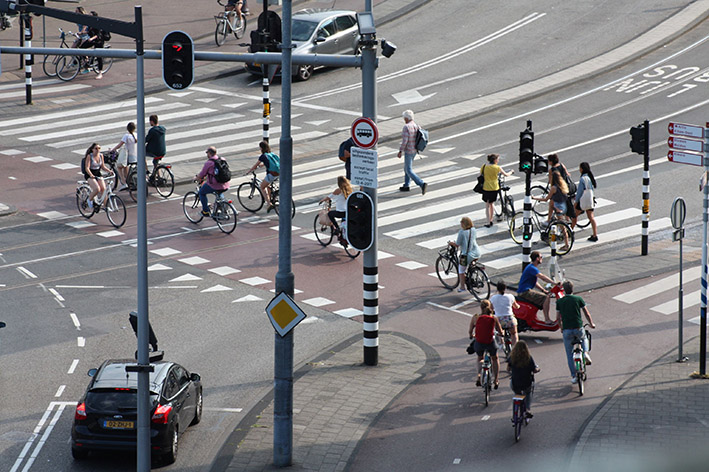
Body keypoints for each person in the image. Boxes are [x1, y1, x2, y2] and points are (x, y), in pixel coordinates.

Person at [555, 281, 596, 384]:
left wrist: (561, 327)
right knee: (584, 338)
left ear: (564, 290)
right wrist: (591, 323)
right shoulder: (578, 299)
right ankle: (585, 353)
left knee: (569, 354)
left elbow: (557, 318)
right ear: (573, 289)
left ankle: (574, 376)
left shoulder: (559, 302)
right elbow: (586, 313)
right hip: (578, 327)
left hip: (567, 330)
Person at [532, 171, 571, 251]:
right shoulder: (563, 185)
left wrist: (534, 198)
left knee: (562, 228)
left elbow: (546, 199)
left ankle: (566, 245)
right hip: (563, 207)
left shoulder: (554, 188)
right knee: (558, 223)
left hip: (558, 208)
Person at [469, 299, 502, 389]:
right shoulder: (494, 318)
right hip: (490, 342)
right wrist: (501, 334)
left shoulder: (476, 317)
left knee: (480, 358)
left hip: (479, 343)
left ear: (480, 307)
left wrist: (471, 335)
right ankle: (496, 379)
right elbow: (500, 330)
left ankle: (479, 376)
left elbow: (470, 330)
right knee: (495, 358)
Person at [517, 251, 557, 324]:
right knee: (546, 298)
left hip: (525, 290)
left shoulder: (530, 267)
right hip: (525, 292)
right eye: (541, 257)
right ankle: (547, 319)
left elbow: (534, 282)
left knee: (543, 296)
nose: (542, 259)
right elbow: (542, 277)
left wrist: (543, 290)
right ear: (537, 258)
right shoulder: (532, 268)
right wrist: (555, 283)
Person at [397, 110, 428, 195]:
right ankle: (406, 185)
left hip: (409, 150)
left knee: (408, 169)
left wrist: (400, 151)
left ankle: (421, 183)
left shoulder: (406, 127)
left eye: (404, 118)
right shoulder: (416, 126)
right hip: (415, 150)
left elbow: (405, 141)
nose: (404, 120)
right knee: (407, 167)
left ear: (406, 118)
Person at [194, 146, 230, 217]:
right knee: (219, 192)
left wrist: (195, 178)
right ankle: (221, 206)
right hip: (226, 184)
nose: (207, 155)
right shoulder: (222, 159)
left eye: (207, 153)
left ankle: (205, 211)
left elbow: (202, 174)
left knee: (201, 192)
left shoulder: (209, 163)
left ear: (209, 153)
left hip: (215, 185)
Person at [448, 216, 481, 293]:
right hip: (477, 252)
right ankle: (473, 274)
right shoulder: (473, 230)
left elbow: (457, 244)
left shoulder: (462, 232)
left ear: (463, 224)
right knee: (471, 265)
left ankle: (462, 287)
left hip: (466, 255)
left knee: (461, 270)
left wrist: (450, 243)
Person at [507, 341, 539, 417]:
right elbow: (534, 370)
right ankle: (527, 409)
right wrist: (538, 369)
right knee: (528, 393)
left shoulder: (512, 358)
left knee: (517, 393)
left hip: (515, 384)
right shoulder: (528, 358)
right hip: (526, 383)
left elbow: (508, 369)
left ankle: (516, 411)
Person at [481, 153, 514, 228]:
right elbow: (506, 174)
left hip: (486, 187)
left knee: (487, 205)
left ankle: (488, 221)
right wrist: (511, 172)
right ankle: (491, 219)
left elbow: (479, 175)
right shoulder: (497, 168)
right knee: (492, 203)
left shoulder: (484, 166)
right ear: (495, 160)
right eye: (498, 159)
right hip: (494, 187)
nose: (498, 160)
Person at [246, 141, 280, 212]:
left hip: (271, 174)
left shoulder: (263, 156)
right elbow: (270, 162)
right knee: (268, 185)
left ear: (261, 148)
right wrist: (262, 165)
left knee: (262, 187)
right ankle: (271, 198)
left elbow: (255, 165)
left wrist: (249, 171)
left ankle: (269, 203)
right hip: (278, 173)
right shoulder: (271, 154)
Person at [547, 153, 576, 225]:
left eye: (548, 161)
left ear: (551, 161)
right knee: (566, 202)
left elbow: (551, 182)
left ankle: (548, 220)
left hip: (557, 189)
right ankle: (567, 218)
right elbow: (567, 174)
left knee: (551, 205)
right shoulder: (562, 165)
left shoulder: (552, 170)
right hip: (565, 188)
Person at [82, 143, 112, 210]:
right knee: (97, 189)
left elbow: (103, 166)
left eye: (99, 148)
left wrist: (109, 171)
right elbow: (87, 168)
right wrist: (91, 175)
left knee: (103, 189)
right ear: (92, 149)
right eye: (96, 148)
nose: (98, 150)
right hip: (90, 174)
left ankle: (105, 206)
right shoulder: (89, 156)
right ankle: (89, 199)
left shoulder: (101, 156)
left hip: (98, 173)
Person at [574, 162, 599, 242]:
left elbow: (580, 192)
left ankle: (569, 232)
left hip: (583, 200)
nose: (579, 169)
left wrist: (576, 201)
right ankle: (595, 235)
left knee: (574, 216)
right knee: (591, 217)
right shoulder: (590, 178)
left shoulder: (582, 179)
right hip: (590, 200)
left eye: (580, 168)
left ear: (582, 169)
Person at [490, 280, 520, 345]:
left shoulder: (493, 298)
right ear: (505, 288)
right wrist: (518, 306)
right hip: (509, 318)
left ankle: (501, 342)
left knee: (499, 331)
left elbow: (490, 309)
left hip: (499, 320)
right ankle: (515, 347)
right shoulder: (510, 296)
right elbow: (516, 306)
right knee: (514, 333)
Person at [110, 122, 137, 191]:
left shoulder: (126, 136)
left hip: (129, 157)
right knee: (125, 166)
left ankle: (124, 182)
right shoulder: (136, 135)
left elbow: (120, 145)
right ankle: (129, 180)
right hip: (136, 156)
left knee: (119, 167)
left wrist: (112, 150)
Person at [79, 11, 105, 79]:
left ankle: (100, 73)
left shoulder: (97, 23)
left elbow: (99, 34)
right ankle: (87, 64)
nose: (89, 16)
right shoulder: (90, 23)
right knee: (81, 48)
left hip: (99, 41)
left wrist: (91, 38)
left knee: (98, 56)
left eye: (90, 15)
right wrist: (82, 33)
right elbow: (89, 32)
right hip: (93, 40)